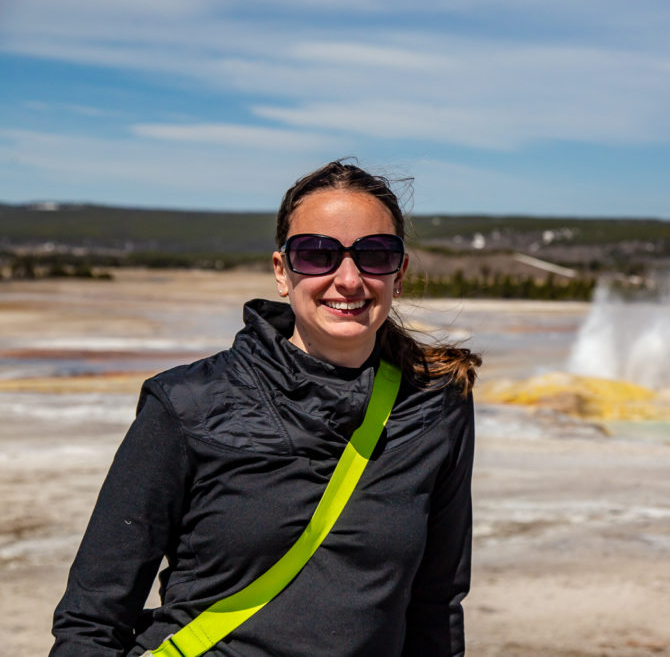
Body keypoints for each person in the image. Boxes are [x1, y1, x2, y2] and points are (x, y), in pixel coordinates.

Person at [50, 160, 481, 656]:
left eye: (374, 254)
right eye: (318, 254)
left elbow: (437, 604)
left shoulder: (435, 405)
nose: (348, 279)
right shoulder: (188, 404)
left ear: (398, 274)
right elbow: (91, 619)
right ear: (282, 271)